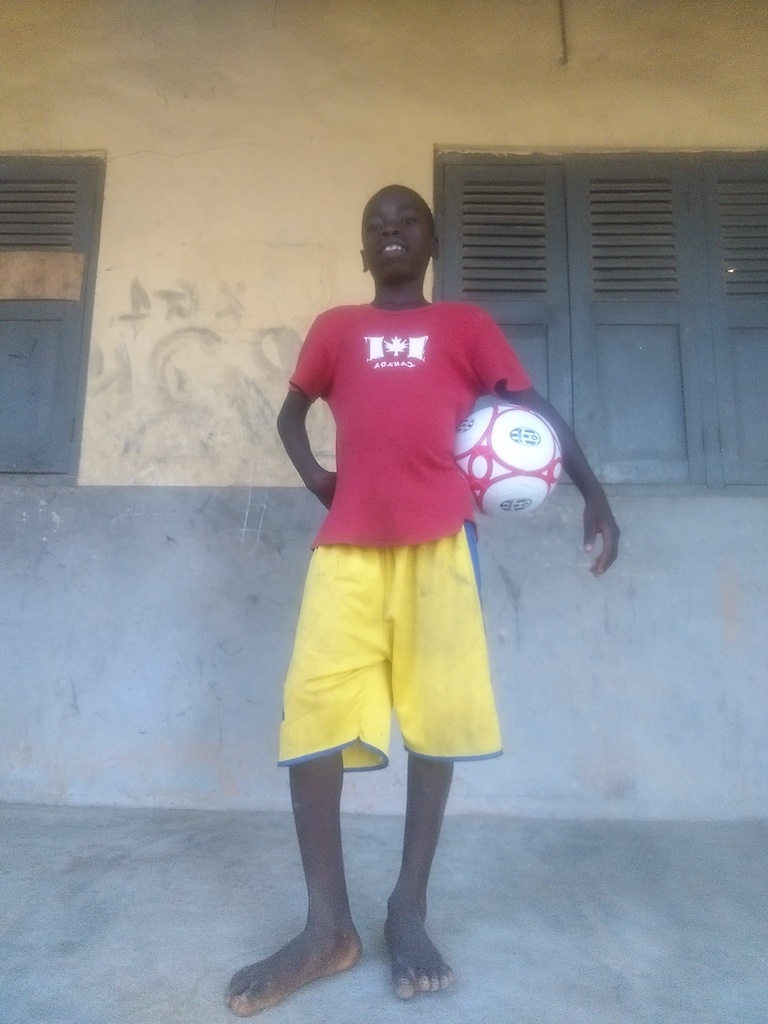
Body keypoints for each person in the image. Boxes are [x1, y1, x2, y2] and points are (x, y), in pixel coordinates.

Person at [225, 184, 620, 1016]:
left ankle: (408, 909)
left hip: (442, 542)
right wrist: (320, 480)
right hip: (347, 548)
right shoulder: (337, 327)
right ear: (362, 250)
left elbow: (532, 411)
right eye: (377, 225)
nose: (392, 230)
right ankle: (326, 927)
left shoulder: (465, 326)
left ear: (433, 242)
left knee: (437, 718)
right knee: (313, 715)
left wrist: (593, 492)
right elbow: (291, 415)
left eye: (407, 221)